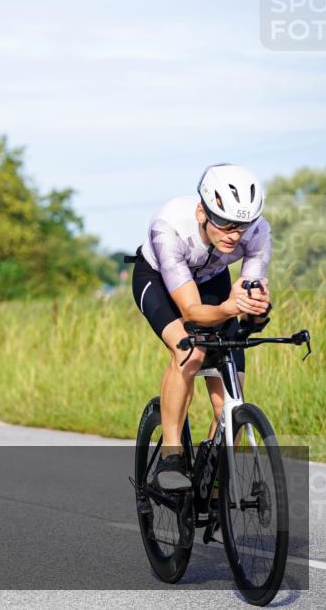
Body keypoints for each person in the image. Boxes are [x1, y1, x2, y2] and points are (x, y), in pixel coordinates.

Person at [131, 164, 272, 490]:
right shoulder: (168, 227)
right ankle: (171, 455)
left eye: (242, 226)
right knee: (190, 352)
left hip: (211, 281)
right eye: (224, 223)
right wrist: (228, 308)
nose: (234, 234)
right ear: (201, 212)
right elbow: (192, 311)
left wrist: (256, 312)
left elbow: (249, 295)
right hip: (159, 281)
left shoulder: (259, 232)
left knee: (231, 393)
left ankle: (213, 474)